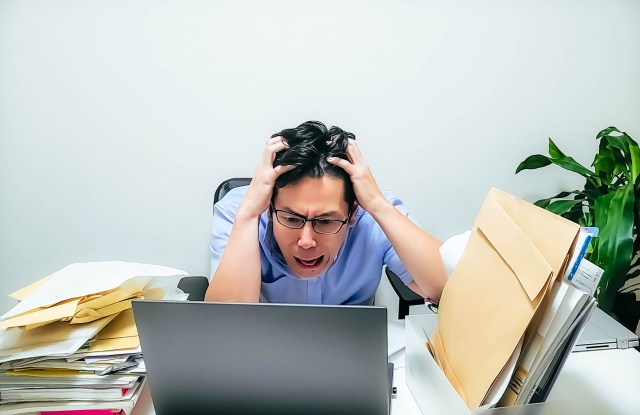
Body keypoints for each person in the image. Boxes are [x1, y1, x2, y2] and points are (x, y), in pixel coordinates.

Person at [205, 121, 447, 305]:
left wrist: (377, 205)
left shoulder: (374, 214)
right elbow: (224, 324)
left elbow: (450, 291)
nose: (306, 241)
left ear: (352, 213)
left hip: (353, 347)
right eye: (292, 219)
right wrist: (248, 215)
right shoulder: (238, 212)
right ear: (269, 209)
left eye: (325, 221)